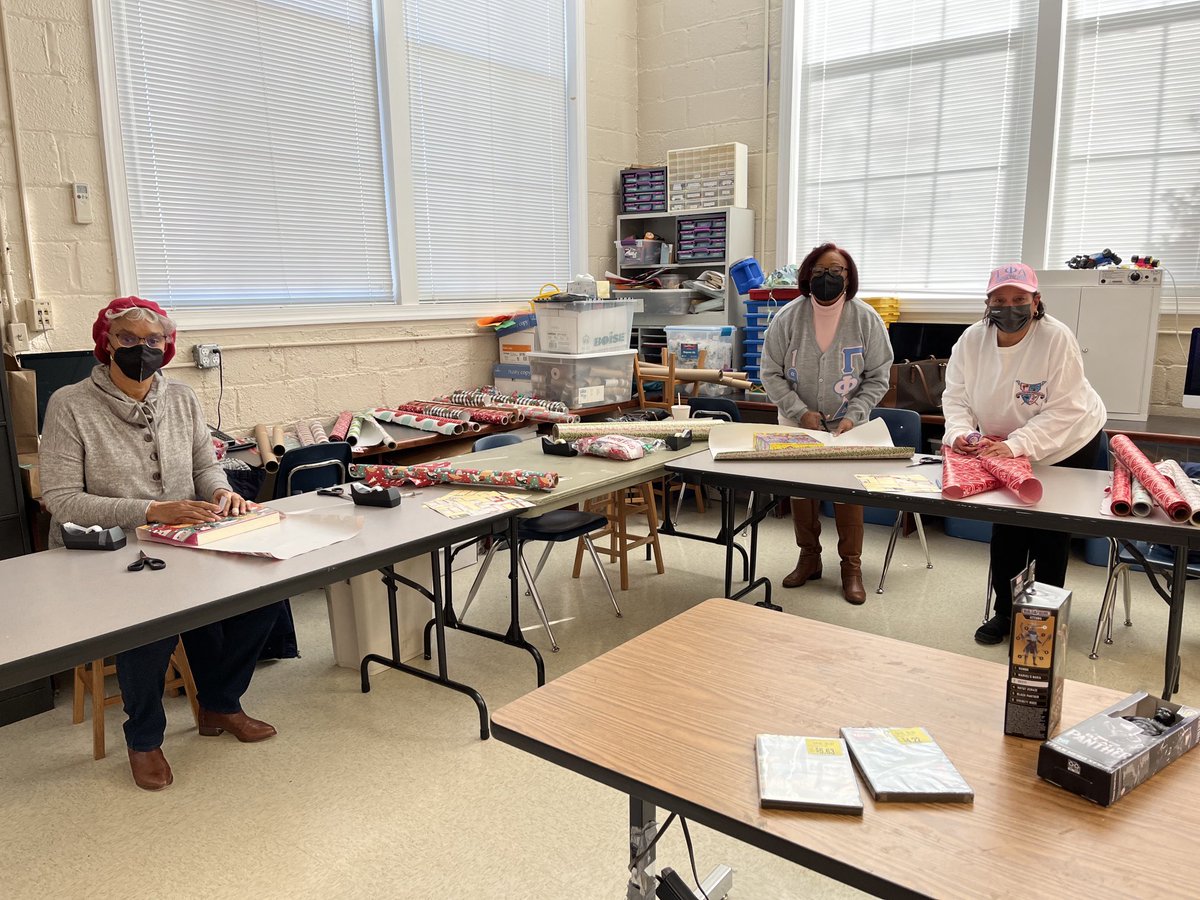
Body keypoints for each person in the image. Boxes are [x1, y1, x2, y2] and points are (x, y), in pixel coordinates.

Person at [40, 297, 282, 791]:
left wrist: (220, 491)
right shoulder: (71, 403)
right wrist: (150, 510)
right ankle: (144, 738)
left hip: (180, 537)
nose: (142, 349)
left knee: (265, 595)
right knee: (149, 626)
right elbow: (60, 499)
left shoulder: (183, 397)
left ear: (166, 346)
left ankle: (220, 702)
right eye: (128, 339)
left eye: (153, 340)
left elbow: (203, 465)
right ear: (105, 343)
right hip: (108, 548)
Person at [942, 263, 1107, 645]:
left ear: (1036, 302)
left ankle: (1041, 622)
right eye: (999, 300)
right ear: (988, 303)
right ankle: (1004, 612)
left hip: (1067, 442)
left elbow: (1065, 409)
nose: (1009, 307)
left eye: (1019, 299)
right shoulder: (971, 340)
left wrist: (1016, 445)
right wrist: (960, 432)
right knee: (1008, 528)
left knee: (1050, 533)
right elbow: (956, 396)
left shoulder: (1055, 338)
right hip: (1003, 445)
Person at [761, 242, 893, 603]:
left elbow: (879, 376)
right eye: (820, 271)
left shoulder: (866, 319)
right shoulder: (787, 317)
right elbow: (769, 372)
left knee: (848, 494)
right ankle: (809, 557)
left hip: (850, 425)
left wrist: (854, 415)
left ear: (849, 277)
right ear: (807, 276)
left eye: (837, 271)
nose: (828, 278)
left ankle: (851, 566)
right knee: (801, 491)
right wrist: (798, 410)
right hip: (796, 422)